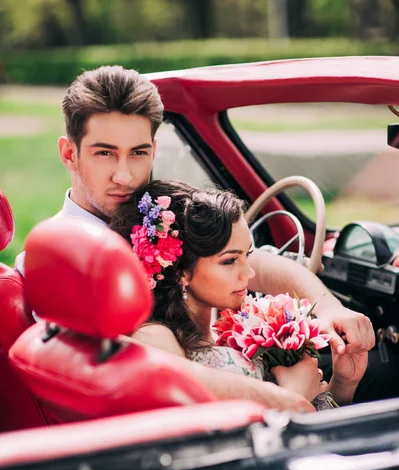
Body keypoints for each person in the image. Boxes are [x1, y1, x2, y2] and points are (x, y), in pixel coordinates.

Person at [15, 65, 377, 406]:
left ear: (154, 150)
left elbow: (258, 264)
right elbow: (157, 375)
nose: (124, 176)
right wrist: (291, 402)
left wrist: (328, 307)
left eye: (138, 153)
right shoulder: (57, 261)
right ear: (69, 153)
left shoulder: (161, 207)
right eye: (105, 154)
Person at [109, 179, 368, 409]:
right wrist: (292, 395)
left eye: (248, 255)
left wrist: (343, 383)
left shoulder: (235, 326)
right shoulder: (153, 336)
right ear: (181, 271)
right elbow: (199, 432)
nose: (250, 274)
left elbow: (319, 421)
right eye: (230, 261)